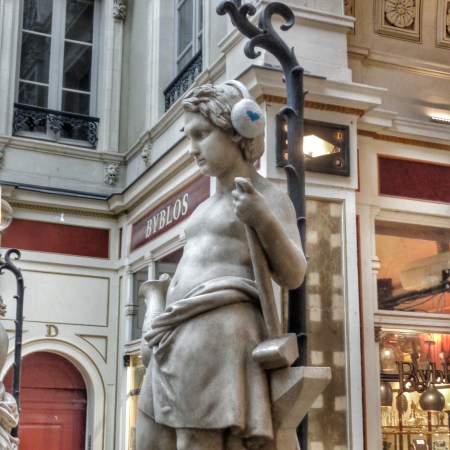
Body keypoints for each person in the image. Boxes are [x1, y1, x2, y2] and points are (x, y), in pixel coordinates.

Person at [136, 81, 306, 450]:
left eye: (201, 134)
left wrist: (263, 219)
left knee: (197, 440)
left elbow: (294, 274)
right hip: (175, 337)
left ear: (239, 130)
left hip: (217, 336)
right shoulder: (203, 209)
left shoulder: (268, 198)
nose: (193, 149)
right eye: (189, 138)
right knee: (149, 441)